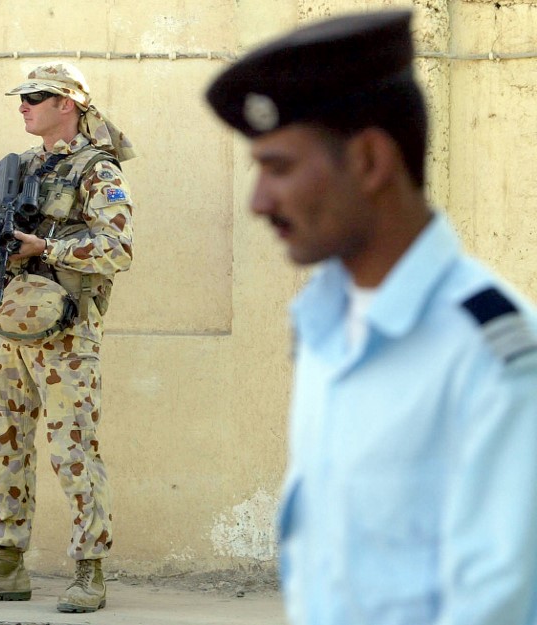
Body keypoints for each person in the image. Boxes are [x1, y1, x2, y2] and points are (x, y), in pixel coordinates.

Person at [206, 10, 537, 625]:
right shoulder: (323, 322)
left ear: (368, 160)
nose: (258, 202)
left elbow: (494, 605)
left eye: (278, 168)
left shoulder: (491, 352)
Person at [0, 63, 135, 613]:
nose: (22, 106)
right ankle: (6, 562)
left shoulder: (97, 170)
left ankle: (88, 570)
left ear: (67, 104)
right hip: (7, 329)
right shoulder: (17, 167)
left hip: (67, 332)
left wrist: (44, 249)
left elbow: (118, 249)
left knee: (73, 449)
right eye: (21, 97)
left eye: (34, 97)